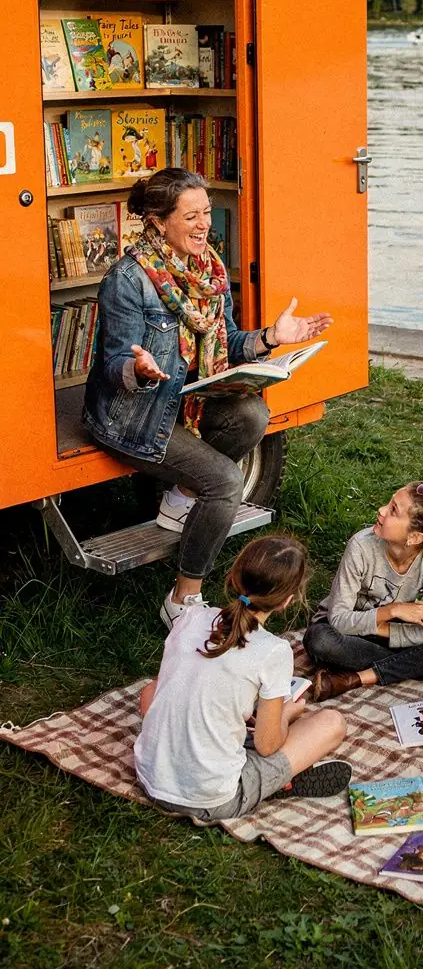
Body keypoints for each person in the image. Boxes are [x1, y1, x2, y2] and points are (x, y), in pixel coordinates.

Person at [83, 168, 331, 626]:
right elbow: (113, 363)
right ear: (158, 221)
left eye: (206, 213)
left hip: (183, 402)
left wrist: (271, 339)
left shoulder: (210, 270)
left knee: (253, 414)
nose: (204, 225)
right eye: (191, 216)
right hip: (133, 413)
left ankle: (179, 497)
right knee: (225, 483)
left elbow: (230, 341)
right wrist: (137, 369)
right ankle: (182, 599)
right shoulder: (128, 279)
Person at [134, 535, 350, 822]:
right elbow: (267, 745)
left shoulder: (189, 617)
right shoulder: (274, 650)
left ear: (235, 576)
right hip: (212, 799)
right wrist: (286, 713)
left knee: (152, 690)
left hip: (149, 778)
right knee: (332, 723)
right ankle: (272, 785)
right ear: (287, 600)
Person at [303, 481, 423, 700]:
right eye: (390, 503)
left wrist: (387, 628)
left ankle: (361, 677)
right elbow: (339, 619)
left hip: (388, 633)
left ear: (414, 538)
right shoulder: (361, 546)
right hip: (345, 629)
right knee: (319, 640)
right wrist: (393, 611)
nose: (381, 510)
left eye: (393, 510)